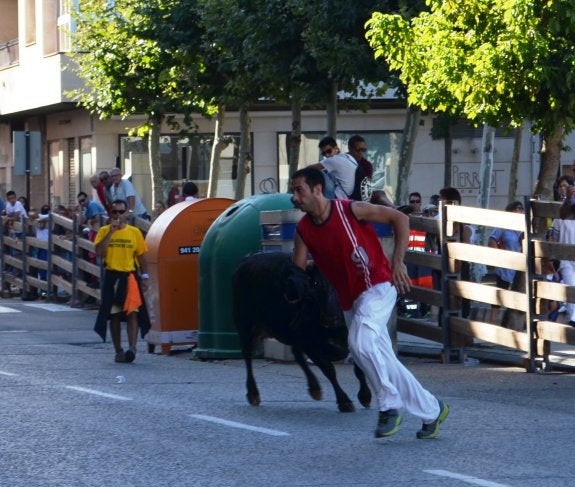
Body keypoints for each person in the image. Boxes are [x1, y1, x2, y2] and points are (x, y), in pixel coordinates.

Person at [290, 166, 449, 440]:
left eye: (299, 190)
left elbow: (399, 218)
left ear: (317, 189)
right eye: (293, 191)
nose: (294, 197)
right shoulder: (304, 229)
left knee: (360, 344)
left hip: (377, 286)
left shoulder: (351, 209)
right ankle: (433, 410)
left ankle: (389, 405)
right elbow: (298, 267)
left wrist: (398, 262)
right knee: (384, 361)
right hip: (350, 299)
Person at [93, 199, 150, 363]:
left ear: (126, 213)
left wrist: (145, 276)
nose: (117, 215)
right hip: (112, 276)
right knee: (115, 315)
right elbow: (98, 251)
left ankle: (132, 348)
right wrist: (111, 232)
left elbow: (141, 255)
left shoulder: (134, 232)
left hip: (130, 276)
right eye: (114, 212)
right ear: (110, 214)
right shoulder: (104, 231)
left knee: (133, 312)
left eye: (120, 212)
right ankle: (119, 350)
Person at [487, 200, 525, 323]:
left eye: (520, 209)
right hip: (505, 266)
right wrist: (498, 256)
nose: (518, 211)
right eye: (515, 209)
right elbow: (492, 239)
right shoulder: (503, 227)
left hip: (522, 267)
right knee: (500, 294)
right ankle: (492, 322)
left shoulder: (526, 227)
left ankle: (517, 323)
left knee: (520, 296)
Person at [311, 136, 372, 202]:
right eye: (324, 153)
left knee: (318, 173)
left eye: (329, 151)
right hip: (350, 196)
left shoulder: (334, 160)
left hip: (339, 197)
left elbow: (309, 169)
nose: (327, 155)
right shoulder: (347, 157)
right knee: (325, 172)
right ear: (349, 148)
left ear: (336, 148)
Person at [550, 184, 575, 326]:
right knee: (571, 288)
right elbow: (552, 239)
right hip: (566, 259)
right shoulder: (561, 216)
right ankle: (573, 319)